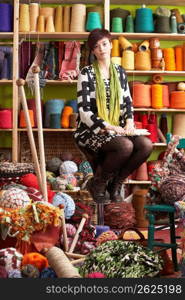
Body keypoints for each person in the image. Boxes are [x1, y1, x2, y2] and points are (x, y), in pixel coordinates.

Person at [74, 28, 153, 203]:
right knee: (125, 146)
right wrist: (109, 126)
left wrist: (130, 123)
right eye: (96, 46)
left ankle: (116, 184)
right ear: (93, 51)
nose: (101, 49)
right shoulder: (86, 74)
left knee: (146, 145)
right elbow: (84, 111)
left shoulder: (120, 72)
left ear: (110, 45)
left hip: (116, 130)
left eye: (104, 44)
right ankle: (98, 184)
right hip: (90, 131)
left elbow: (127, 102)